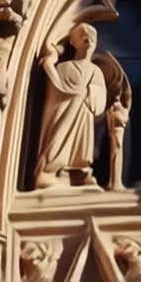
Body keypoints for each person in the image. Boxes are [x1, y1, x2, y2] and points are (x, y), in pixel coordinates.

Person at [34, 23, 107, 189]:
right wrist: (50, 65)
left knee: (82, 145)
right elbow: (56, 91)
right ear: (73, 43)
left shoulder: (96, 71)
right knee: (58, 138)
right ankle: (49, 171)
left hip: (84, 114)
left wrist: (88, 94)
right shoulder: (64, 67)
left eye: (92, 37)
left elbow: (99, 95)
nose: (88, 39)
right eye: (83, 36)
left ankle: (79, 172)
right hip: (65, 114)